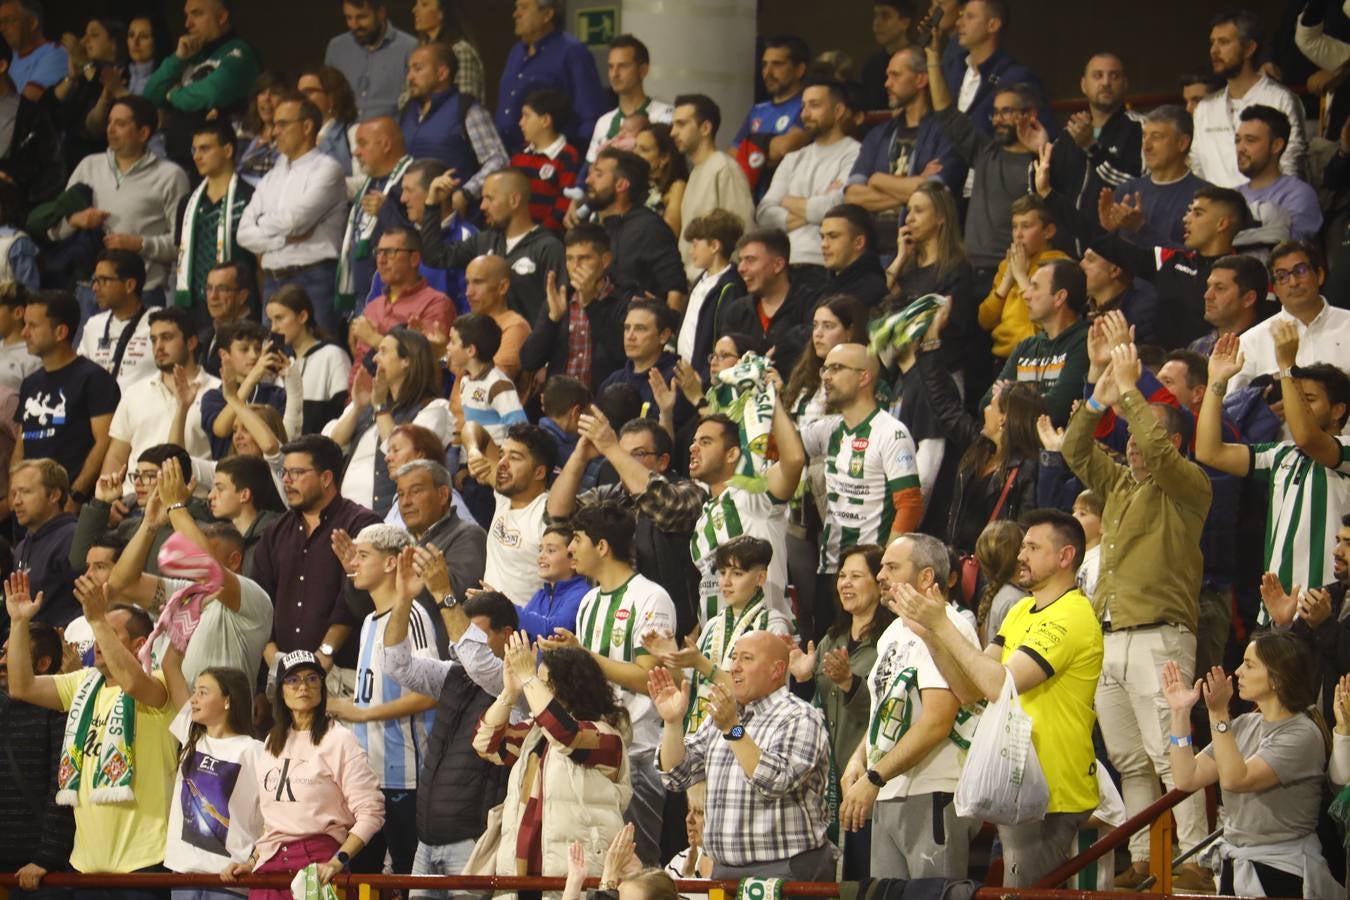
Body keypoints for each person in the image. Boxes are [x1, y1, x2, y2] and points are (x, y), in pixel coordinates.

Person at [1062, 340, 1216, 891]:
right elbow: (1077, 451)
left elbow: (1154, 440)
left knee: (1170, 752)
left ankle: (1196, 855)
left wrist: (1131, 387)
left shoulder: (1189, 486)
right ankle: (1145, 857)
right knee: (1130, 759)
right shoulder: (1121, 485)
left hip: (1160, 637)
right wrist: (1101, 399)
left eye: (1143, 434)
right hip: (1110, 637)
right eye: (1127, 435)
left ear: (1172, 443)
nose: (1131, 444)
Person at [896, 508, 1103, 887]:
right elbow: (971, 689)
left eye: (1033, 547)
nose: (1020, 554)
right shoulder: (1023, 609)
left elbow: (999, 684)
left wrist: (943, 622)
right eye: (1022, 545)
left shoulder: (1072, 616)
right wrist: (931, 634)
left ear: (1065, 557)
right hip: (1020, 782)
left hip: (1053, 791)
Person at [4, 567, 178, 879]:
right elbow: (21, 686)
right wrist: (18, 623)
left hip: (144, 861)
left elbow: (132, 683)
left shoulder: (160, 685)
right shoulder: (83, 684)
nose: (98, 638)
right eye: (99, 630)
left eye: (112, 632)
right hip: (84, 864)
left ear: (139, 644)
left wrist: (98, 619)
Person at [538, 501, 675, 865]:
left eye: (577, 540)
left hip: (640, 751)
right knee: (597, 866)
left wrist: (584, 656)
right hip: (592, 747)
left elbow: (652, 679)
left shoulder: (650, 596)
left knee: (639, 866)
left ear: (601, 546)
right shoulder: (588, 603)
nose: (570, 549)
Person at [838, 534, 978, 880]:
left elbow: (936, 722)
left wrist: (874, 775)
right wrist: (860, 759)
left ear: (926, 577)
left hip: (932, 790)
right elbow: (885, 712)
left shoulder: (949, 625)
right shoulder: (893, 633)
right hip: (889, 789)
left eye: (891, 567)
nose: (880, 575)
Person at [1164, 633, 1339, 897]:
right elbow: (1187, 777)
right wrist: (1179, 713)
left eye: (1249, 665)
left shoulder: (1302, 733)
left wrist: (1218, 713)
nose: (1237, 672)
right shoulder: (1246, 724)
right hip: (1238, 862)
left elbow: (1236, 779)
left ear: (1277, 677)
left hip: (1282, 871)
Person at [654, 629, 835, 880]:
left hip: (784, 871)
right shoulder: (723, 713)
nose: (734, 668)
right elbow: (677, 775)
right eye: (734, 658)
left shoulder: (799, 716)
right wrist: (673, 722)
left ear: (776, 670)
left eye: (747, 659)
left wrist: (732, 728)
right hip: (723, 872)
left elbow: (774, 781)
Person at [378, 541, 507, 894]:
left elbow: (481, 664)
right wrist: (403, 598)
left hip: (473, 842)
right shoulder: (453, 674)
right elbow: (395, 663)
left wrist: (443, 593)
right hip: (427, 840)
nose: (462, 643)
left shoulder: (513, 684)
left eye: (475, 635)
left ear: (507, 636)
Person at [1200, 329, 1350, 611]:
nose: (1299, 406)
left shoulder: (1346, 451)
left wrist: (1286, 367)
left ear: (1338, 410)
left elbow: (1306, 437)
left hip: (1326, 610)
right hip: (1275, 611)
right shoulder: (1280, 453)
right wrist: (1216, 382)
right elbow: (1210, 451)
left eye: (1310, 399)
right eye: (1297, 398)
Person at [223, 650, 385, 895]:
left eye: (312, 679)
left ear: (321, 686)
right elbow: (273, 823)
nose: (303, 687)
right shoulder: (271, 741)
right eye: (293, 680)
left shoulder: (340, 739)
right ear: (280, 690)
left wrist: (337, 860)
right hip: (270, 868)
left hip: (318, 865)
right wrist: (252, 862)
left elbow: (371, 812)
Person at [324, 525, 436, 875]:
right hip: (366, 772)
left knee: (404, 871)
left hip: (404, 775)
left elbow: (430, 693)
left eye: (363, 555)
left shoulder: (413, 616)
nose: (352, 562)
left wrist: (362, 714)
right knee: (363, 873)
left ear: (391, 564)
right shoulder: (371, 619)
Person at [108, 457, 275, 689]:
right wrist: (149, 525)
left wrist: (176, 506)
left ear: (235, 560)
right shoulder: (186, 595)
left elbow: (207, 567)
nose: (190, 552)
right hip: (179, 721)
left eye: (205, 547)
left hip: (224, 722)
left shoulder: (252, 598)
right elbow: (122, 584)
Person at [476, 628, 630, 876]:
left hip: (575, 877)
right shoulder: (535, 733)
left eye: (544, 683)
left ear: (571, 688)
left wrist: (528, 677)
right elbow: (486, 744)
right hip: (519, 874)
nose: (536, 689)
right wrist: (510, 692)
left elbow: (566, 736)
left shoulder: (606, 738)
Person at [802, 342, 923, 642]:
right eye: (825, 368)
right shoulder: (827, 429)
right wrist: (768, 399)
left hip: (870, 573)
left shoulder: (891, 432)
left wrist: (886, 567)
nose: (826, 377)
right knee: (823, 657)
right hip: (830, 566)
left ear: (864, 377)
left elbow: (909, 504)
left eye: (837, 368)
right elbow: (778, 448)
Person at [252, 435, 383, 695]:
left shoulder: (361, 524)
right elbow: (259, 601)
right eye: (285, 473)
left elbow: (355, 599)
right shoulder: (275, 531)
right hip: (284, 678)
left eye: (297, 473)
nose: (286, 481)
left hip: (342, 676)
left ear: (326, 478)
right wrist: (276, 661)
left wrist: (325, 653)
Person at [48, 95, 189, 304]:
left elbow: (182, 247)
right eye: (109, 122)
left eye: (120, 124)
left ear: (143, 133)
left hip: (143, 294)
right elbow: (53, 231)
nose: (110, 129)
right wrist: (74, 221)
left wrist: (140, 244)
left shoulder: (170, 176)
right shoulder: (88, 166)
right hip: (89, 292)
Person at [237, 93, 349, 338]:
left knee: (318, 356)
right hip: (273, 280)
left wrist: (265, 223)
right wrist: (283, 239)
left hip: (313, 279)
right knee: (275, 362)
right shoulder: (271, 176)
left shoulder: (327, 169)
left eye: (282, 124)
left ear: (307, 126)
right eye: (274, 124)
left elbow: (296, 221)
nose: (274, 131)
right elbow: (243, 233)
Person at [682, 406, 804, 623]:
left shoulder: (753, 495)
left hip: (765, 641)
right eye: (694, 441)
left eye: (705, 442)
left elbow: (793, 461)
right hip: (718, 646)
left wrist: (772, 403)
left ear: (732, 454)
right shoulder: (704, 516)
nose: (693, 447)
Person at [927, 64, 1038, 299]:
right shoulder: (985, 152)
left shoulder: (1041, 163)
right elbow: (946, 112)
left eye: (1006, 111)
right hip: (969, 271)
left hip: (1012, 274)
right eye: (995, 113)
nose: (998, 119)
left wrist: (1040, 152)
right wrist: (932, 56)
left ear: (1029, 115)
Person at [159, 652, 263, 900]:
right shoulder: (191, 735)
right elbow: (169, 665)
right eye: (194, 691)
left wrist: (251, 861)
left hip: (229, 880)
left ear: (227, 700)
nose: (193, 699)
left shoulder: (254, 750)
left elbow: (276, 818)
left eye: (203, 692)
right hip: (184, 876)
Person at [846, 47, 964, 250]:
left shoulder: (945, 133)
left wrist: (878, 180)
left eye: (895, 75)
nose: (887, 83)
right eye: (887, 76)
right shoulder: (878, 134)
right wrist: (913, 187)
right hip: (873, 253)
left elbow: (934, 195)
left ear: (920, 80)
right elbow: (852, 196)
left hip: (923, 252)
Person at [327, 328, 451, 518]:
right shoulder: (370, 404)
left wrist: (380, 408)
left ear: (406, 361)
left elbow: (408, 459)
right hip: (346, 516)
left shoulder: (434, 407)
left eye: (383, 351)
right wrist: (359, 407)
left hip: (391, 520)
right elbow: (330, 447)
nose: (375, 358)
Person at [420, 167, 566, 325]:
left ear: (514, 200)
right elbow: (435, 257)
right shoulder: (484, 240)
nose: (482, 206)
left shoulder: (549, 247)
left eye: (489, 199)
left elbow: (557, 311)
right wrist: (432, 205)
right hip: (486, 346)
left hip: (528, 345)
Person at [14, 290, 120, 498]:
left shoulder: (94, 379)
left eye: (32, 326)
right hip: (28, 506)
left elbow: (104, 442)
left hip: (70, 507)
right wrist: (14, 493)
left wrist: (76, 494)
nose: (24, 332)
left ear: (60, 332)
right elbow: (21, 445)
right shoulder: (30, 383)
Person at [1038, 53, 1144, 256]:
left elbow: (1134, 183)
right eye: (1098, 76)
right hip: (1067, 254)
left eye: (1114, 76)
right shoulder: (1069, 133)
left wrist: (1092, 148)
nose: (1105, 82)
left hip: (1112, 253)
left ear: (1125, 84)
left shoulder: (1139, 128)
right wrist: (1037, 150)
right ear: (1083, 85)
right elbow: (1047, 189)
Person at [1191, 10, 1308, 188]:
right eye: (1212, 42)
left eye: (1224, 42)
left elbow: (1291, 167)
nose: (1214, 50)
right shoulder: (1205, 108)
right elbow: (1197, 168)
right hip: (1215, 210)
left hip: (1267, 210)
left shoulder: (1281, 99)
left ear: (1249, 48)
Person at [0, 617, 74, 894]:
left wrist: (45, 858)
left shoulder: (60, 712)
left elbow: (64, 787)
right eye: (3, 652)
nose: (3, 661)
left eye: (13, 654)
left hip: (38, 875)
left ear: (43, 664)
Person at [102, 307, 218, 484]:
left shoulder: (217, 391)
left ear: (192, 342)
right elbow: (116, 456)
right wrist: (109, 500)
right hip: (134, 500)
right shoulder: (135, 392)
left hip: (193, 500)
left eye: (167, 338)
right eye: (153, 339)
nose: (158, 347)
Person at [757, 78, 862, 272]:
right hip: (784, 263)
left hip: (827, 265)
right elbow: (764, 213)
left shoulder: (856, 153)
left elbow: (837, 207)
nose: (805, 114)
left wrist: (787, 201)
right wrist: (813, 210)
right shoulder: (793, 158)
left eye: (814, 105)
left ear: (838, 111)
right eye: (803, 106)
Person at [142, 0, 259, 173]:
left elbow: (212, 92)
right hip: (175, 162)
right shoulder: (191, 54)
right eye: (186, 15)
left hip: (215, 166)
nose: (187, 24)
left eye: (196, 14)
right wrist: (178, 58)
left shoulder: (240, 52)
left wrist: (172, 95)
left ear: (221, 17)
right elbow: (151, 94)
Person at [520, 223, 631, 391]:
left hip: (604, 405)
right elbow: (528, 361)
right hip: (558, 408)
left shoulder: (624, 301)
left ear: (605, 260)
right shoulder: (559, 299)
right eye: (570, 258)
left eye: (584, 258)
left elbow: (623, 355)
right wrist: (552, 320)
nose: (575, 266)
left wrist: (590, 304)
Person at [1230, 241, 1350, 394]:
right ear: (1275, 289)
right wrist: (1262, 413)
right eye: (1282, 276)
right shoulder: (1250, 342)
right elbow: (1233, 409)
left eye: (1300, 271)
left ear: (1319, 275)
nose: (1293, 282)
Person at [981, 259, 1090, 427]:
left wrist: (1009, 396)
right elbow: (986, 405)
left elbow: (1056, 410)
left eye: (1035, 287)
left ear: (1060, 297)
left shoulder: (1085, 344)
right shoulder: (1026, 347)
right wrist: (1036, 401)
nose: (1026, 295)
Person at [401, 42, 508, 208]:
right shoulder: (408, 111)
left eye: (418, 68)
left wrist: (466, 194)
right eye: (409, 70)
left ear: (442, 73)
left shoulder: (466, 109)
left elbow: (498, 160)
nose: (410, 77)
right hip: (412, 214)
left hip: (453, 217)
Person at [495, 0, 607, 152]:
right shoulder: (516, 52)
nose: (516, 14)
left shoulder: (572, 52)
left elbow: (590, 115)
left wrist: (573, 159)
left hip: (553, 161)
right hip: (510, 155)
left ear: (547, 14)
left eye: (524, 8)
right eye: (516, 8)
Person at [463, 422, 554, 606]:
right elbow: (473, 428)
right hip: (489, 621)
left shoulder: (547, 513)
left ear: (539, 472)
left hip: (524, 629)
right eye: (502, 454)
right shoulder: (505, 495)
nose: (502, 464)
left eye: (514, 457)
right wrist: (473, 451)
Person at [937, 0, 1053, 142]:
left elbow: (1043, 133)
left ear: (993, 25)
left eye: (970, 17)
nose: (959, 23)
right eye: (961, 16)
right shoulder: (956, 69)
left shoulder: (1015, 77)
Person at [585, 149, 686, 310]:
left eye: (598, 174)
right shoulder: (598, 229)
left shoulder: (649, 228)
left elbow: (676, 290)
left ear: (621, 185)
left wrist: (668, 330)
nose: (588, 180)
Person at [175, 122, 256, 320]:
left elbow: (259, 259)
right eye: (194, 149)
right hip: (194, 303)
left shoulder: (250, 197)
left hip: (239, 303)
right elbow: (180, 252)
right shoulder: (188, 202)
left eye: (205, 148)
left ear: (227, 150)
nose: (196, 156)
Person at [669, 95, 755, 279]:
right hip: (697, 281)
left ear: (705, 128)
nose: (673, 132)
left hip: (719, 282)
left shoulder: (723, 167)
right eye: (674, 125)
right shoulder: (696, 172)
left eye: (681, 124)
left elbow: (742, 229)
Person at [978, 195, 1071, 364]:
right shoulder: (1007, 266)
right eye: (1014, 227)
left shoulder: (1058, 264)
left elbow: (1045, 317)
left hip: (1037, 358)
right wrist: (1008, 279)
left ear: (1048, 231)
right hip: (1001, 358)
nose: (1018, 234)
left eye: (1026, 226)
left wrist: (1021, 277)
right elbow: (985, 320)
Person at [349, 226, 454, 367]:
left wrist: (373, 338)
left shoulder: (435, 303)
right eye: (378, 252)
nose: (381, 260)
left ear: (414, 259)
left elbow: (435, 363)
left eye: (390, 252)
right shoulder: (373, 306)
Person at [716, 228, 816, 375]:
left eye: (750, 260)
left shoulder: (811, 304)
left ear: (778, 265)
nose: (741, 268)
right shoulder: (737, 311)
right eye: (740, 260)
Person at [730, 36, 812, 197]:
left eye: (777, 65)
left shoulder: (807, 106)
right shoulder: (758, 110)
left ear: (799, 70)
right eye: (764, 65)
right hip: (753, 201)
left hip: (788, 201)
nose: (767, 73)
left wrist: (751, 147)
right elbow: (733, 155)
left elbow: (785, 148)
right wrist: (767, 146)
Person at [265, 285, 352, 435]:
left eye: (279, 318)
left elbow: (344, 411)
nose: (274, 328)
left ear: (302, 317)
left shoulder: (332, 354)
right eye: (270, 320)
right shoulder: (283, 363)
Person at [7, 458, 79, 631]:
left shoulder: (73, 537)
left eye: (25, 492)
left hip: (61, 646)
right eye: (14, 493)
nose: (16, 501)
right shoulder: (21, 547)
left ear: (54, 495)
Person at [585, 34, 674, 169]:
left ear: (643, 70)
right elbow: (591, 168)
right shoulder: (604, 122)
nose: (614, 74)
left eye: (623, 66)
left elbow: (673, 166)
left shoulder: (666, 116)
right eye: (611, 66)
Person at [1235, 106, 1322, 242]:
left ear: (1276, 145)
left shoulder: (1298, 194)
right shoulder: (1233, 196)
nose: (1240, 148)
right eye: (1238, 140)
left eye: (1250, 140)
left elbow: (1292, 249)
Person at [77, 249, 157, 390]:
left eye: (103, 280)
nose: (95, 288)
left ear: (129, 285)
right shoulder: (93, 325)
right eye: (95, 280)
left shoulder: (159, 323)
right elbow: (80, 376)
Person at [324, 0, 416, 122]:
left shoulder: (409, 48)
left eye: (362, 17)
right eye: (349, 18)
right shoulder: (336, 47)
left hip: (387, 135)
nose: (354, 25)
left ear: (381, 13)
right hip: (342, 134)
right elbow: (326, 97)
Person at [679, 210, 746, 376]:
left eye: (695, 245)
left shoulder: (731, 287)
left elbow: (724, 335)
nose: (691, 252)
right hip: (685, 373)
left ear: (715, 246)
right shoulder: (700, 281)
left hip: (703, 375)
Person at [0, 35, 62, 210]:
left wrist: (18, 193)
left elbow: (54, 171)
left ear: (2, 66)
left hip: (13, 215)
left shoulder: (31, 114)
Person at [450, 312, 526, 443]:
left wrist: (504, 457)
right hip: (471, 458)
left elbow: (520, 429)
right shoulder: (465, 382)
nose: (448, 347)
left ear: (470, 350)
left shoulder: (498, 385)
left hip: (495, 461)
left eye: (452, 342)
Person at [512, 88, 581, 234]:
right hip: (515, 232)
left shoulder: (567, 156)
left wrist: (540, 234)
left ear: (545, 121)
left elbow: (565, 200)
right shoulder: (519, 154)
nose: (520, 123)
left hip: (548, 238)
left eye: (526, 116)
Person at [457, 255, 531, 381]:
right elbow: (445, 362)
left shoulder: (515, 327)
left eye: (478, 282)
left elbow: (490, 380)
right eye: (467, 283)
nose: (468, 292)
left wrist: (456, 363)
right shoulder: (469, 323)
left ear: (502, 287)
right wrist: (440, 350)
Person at [1078, 247, 1160, 346]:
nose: (1081, 264)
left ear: (1115, 270)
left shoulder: (1142, 317)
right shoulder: (1078, 309)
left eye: (1090, 260)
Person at [411, 0, 485, 99]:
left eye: (424, 5)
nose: (415, 10)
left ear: (441, 13)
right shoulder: (419, 50)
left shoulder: (460, 51)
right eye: (416, 4)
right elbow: (406, 95)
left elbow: (465, 102)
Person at [296, 66, 358, 175]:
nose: (301, 99)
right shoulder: (294, 133)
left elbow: (363, 182)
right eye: (299, 94)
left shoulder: (352, 132)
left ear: (332, 95)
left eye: (308, 92)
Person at [0, 0, 66, 99]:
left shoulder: (56, 53)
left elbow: (29, 100)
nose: (2, 28)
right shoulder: (9, 55)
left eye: (9, 20)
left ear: (32, 23)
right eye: (1, 22)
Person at [860, 0, 916, 111]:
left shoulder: (921, 60)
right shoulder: (872, 65)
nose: (877, 22)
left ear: (905, 22)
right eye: (876, 16)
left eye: (885, 16)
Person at [635, 122, 687, 237]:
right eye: (635, 147)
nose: (635, 153)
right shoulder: (636, 184)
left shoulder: (676, 187)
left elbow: (670, 232)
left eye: (643, 150)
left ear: (664, 158)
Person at [236, 72, 286, 186]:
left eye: (274, 93)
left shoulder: (285, 142)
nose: (267, 99)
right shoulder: (242, 132)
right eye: (262, 93)